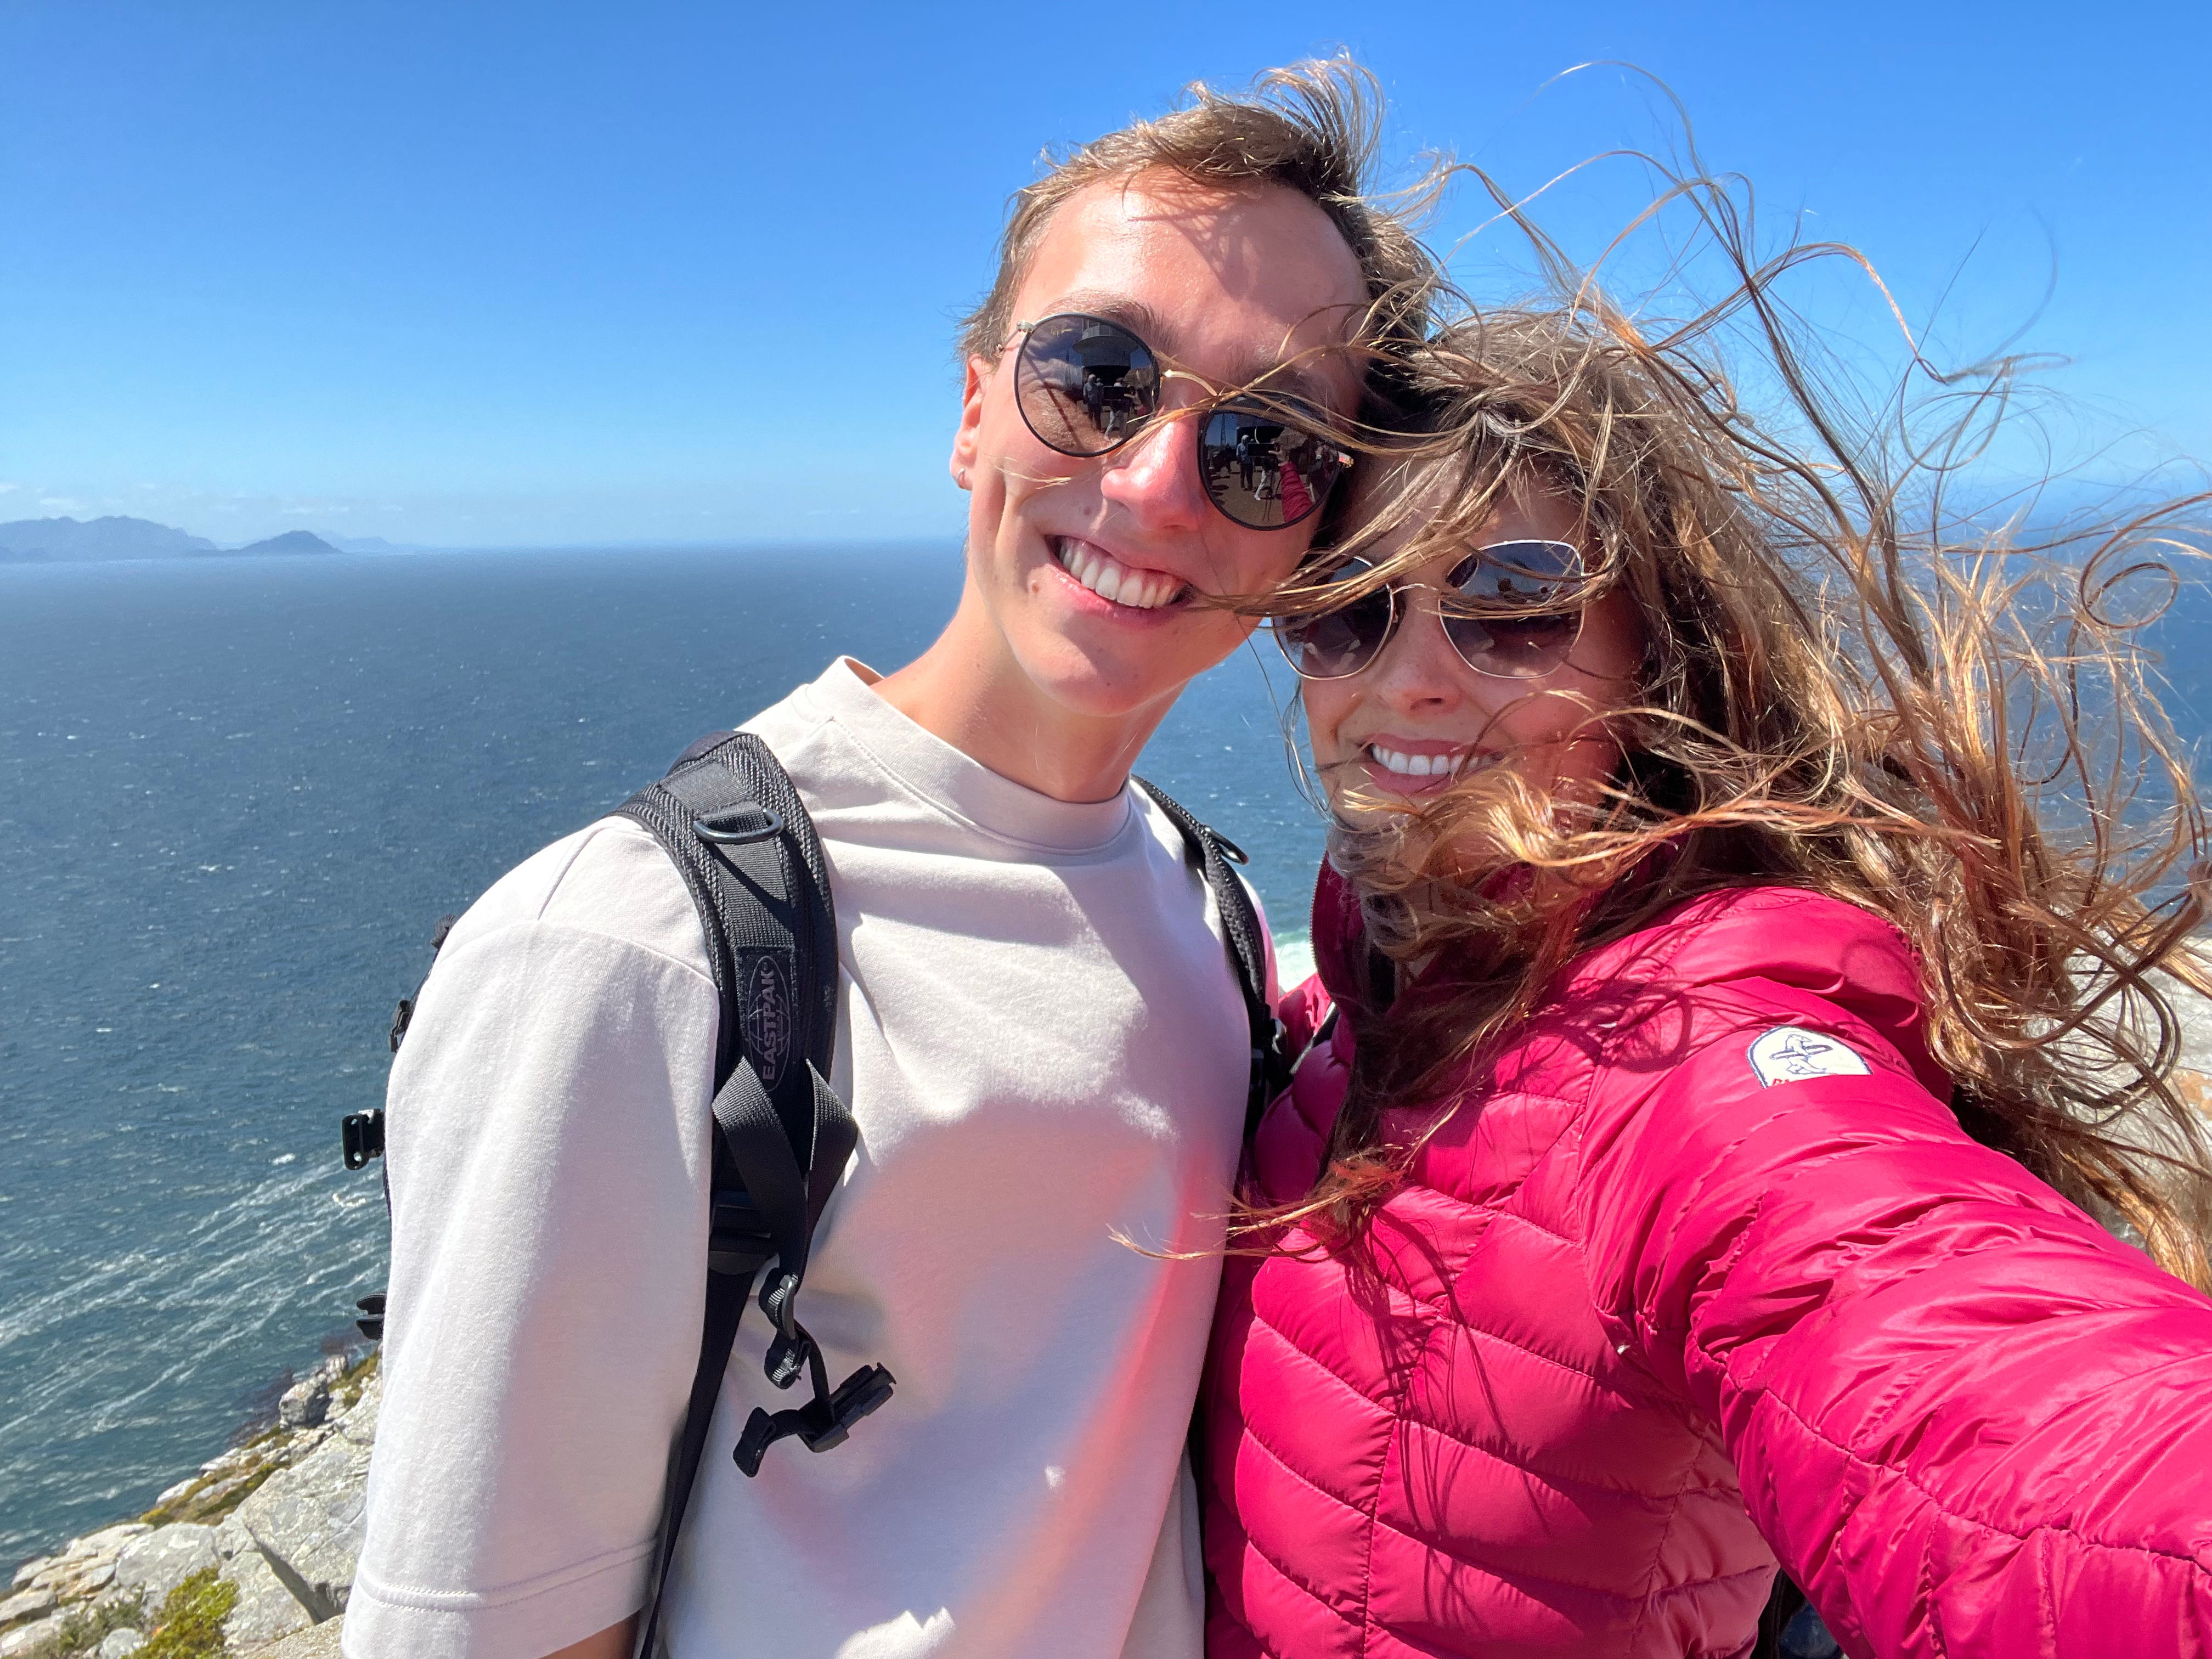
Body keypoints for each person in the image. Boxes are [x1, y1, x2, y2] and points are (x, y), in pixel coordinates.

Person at [348, 62, 1437, 1659]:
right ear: (975, 408)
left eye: (1266, 443)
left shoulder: (1208, 906)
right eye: (1098, 377)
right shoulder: (635, 949)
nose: (1154, 484)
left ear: (1313, 538)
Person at [1201, 290, 2212, 1657]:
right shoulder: (1365, 1011)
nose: (1413, 677)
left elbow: (1967, 1379)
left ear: (1654, 645)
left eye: (1512, 602)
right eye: (1347, 611)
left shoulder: (1695, 1053)